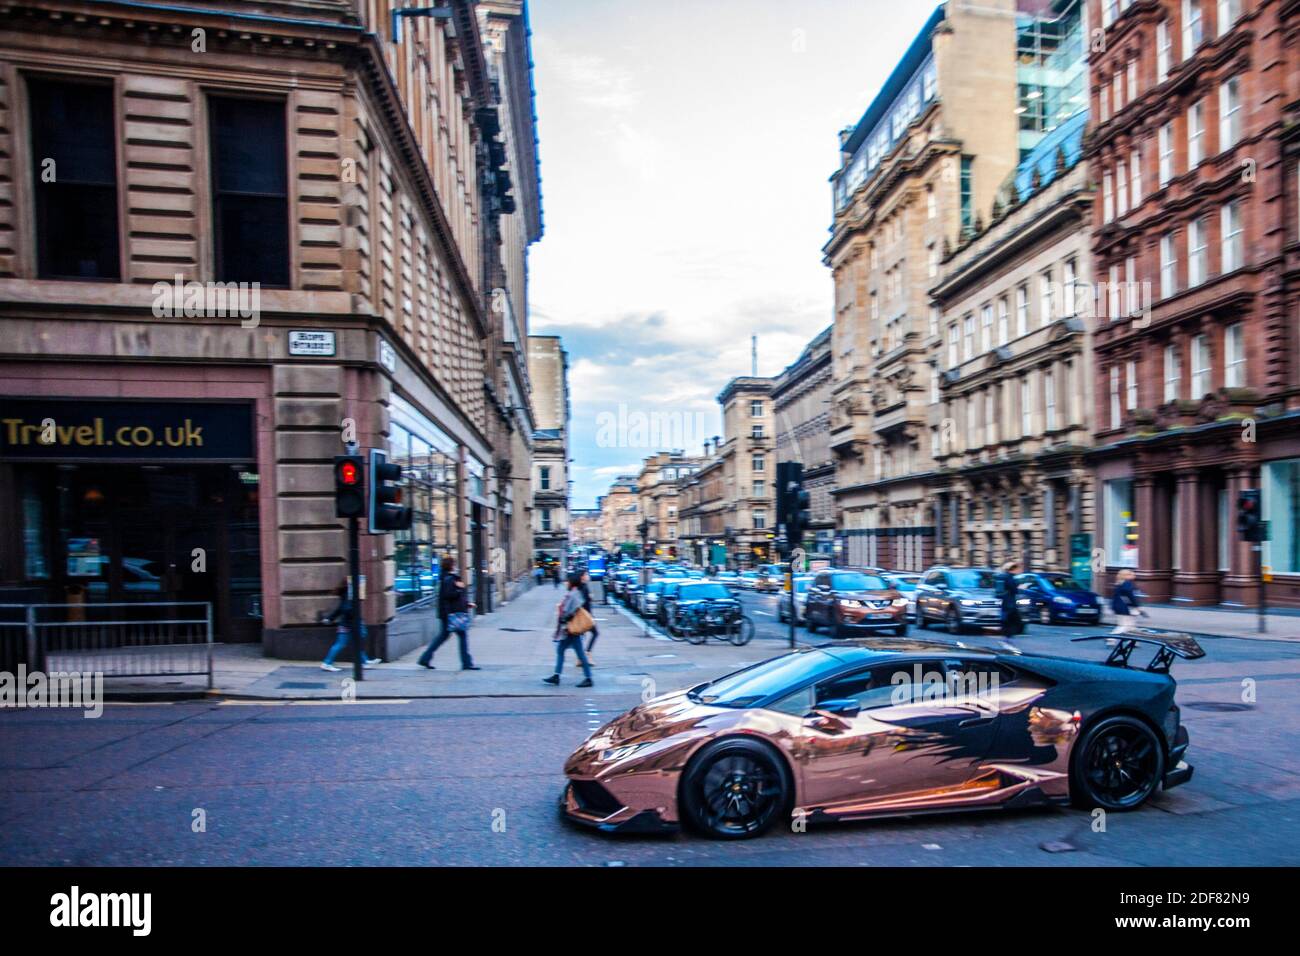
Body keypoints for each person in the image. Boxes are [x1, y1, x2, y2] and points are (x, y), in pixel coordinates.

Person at [417, 556, 480, 670]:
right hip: (452, 614)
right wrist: (459, 588)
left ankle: (425, 658)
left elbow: (451, 596)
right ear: (451, 566)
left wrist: (466, 603)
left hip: (448, 613)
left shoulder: (445, 578)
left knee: (444, 636)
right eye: (454, 564)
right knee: (461, 636)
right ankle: (466, 663)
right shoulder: (450, 579)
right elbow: (450, 595)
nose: (455, 566)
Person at [544, 573, 593, 687]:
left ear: (572, 582)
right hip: (569, 629)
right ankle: (557, 676)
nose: (566, 583)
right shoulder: (574, 593)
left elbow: (573, 610)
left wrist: (564, 621)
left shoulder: (573, 594)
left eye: (568, 581)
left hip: (570, 629)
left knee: (575, 653)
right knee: (564, 651)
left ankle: (587, 678)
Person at [320, 583, 382, 671]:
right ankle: (327, 663)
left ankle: (364, 661)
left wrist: (330, 618)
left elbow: (340, 609)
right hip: (349, 624)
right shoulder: (349, 595)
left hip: (348, 623)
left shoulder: (348, 595)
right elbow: (345, 609)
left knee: (354, 642)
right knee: (343, 643)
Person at [1110, 568, 1146, 634]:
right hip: (1124, 608)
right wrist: (1137, 606)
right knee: (1124, 626)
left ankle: (1132, 642)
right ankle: (1112, 638)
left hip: (1118, 607)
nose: (1134, 576)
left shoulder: (1119, 583)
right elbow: (1130, 596)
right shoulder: (1127, 583)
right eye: (1132, 575)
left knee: (1130, 626)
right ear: (1127, 575)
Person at [998, 559, 1024, 638]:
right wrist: (1020, 588)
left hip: (1005, 602)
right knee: (1015, 620)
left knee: (1007, 619)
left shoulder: (1003, 576)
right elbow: (1014, 590)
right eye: (1017, 569)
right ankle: (1007, 636)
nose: (1018, 571)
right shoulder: (1009, 577)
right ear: (1013, 569)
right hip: (1010, 602)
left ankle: (1006, 635)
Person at [579, 570, 599, 663]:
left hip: (584, 615)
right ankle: (587, 654)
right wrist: (589, 597)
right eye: (586, 574)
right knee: (595, 633)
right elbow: (582, 601)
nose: (588, 576)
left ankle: (581, 657)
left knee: (581, 636)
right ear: (582, 576)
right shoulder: (584, 587)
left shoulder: (581, 586)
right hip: (586, 615)